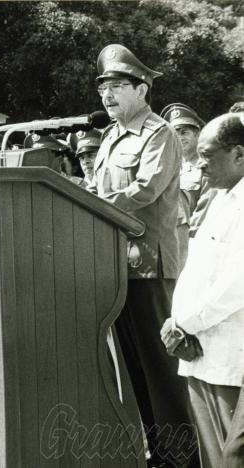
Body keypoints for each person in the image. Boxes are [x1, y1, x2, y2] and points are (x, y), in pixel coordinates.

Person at [92, 44, 197, 466]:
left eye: (118, 86)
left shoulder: (160, 134)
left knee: (162, 371)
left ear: (143, 89)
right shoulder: (109, 137)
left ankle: (183, 457)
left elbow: (146, 190)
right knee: (134, 369)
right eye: (103, 88)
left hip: (150, 267)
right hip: (116, 268)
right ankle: (158, 453)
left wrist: (93, 203)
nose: (108, 95)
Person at [163, 113, 244, 467]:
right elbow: (197, 269)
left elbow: (235, 285)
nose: (199, 164)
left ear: (239, 154)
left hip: (227, 356)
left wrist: (184, 322)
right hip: (199, 353)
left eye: (208, 155)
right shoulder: (221, 198)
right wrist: (177, 320)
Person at [160, 103, 208, 272]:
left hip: (198, 245)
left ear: (198, 134)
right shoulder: (165, 168)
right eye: (175, 133)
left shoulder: (207, 167)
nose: (180, 137)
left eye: (185, 132)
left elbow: (206, 212)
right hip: (169, 247)